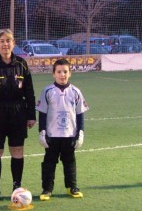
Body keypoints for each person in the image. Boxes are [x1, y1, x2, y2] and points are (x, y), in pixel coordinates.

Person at [0, 28, 36, 203]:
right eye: (2, 41)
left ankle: (17, 185)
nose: (5, 44)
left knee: (17, 149)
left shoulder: (22, 64)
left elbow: (30, 92)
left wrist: (31, 115)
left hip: (18, 112)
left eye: (8, 40)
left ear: (13, 43)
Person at [36, 58, 89, 201]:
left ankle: (72, 187)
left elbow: (80, 114)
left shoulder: (76, 92)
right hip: (52, 135)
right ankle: (47, 189)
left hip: (69, 134)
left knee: (70, 161)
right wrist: (42, 132)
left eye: (65, 72)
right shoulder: (47, 91)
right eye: (59, 72)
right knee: (49, 162)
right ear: (54, 74)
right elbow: (42, 113)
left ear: (70, 73)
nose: (62, 75)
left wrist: (80, 133)